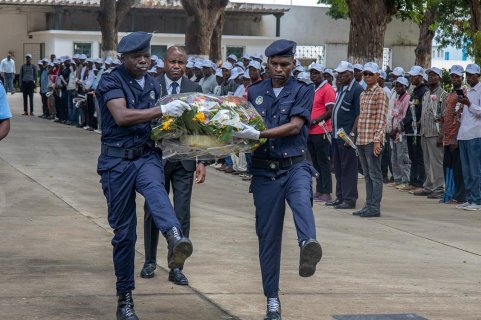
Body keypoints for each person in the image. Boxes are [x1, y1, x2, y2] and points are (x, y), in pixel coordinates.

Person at [95, 32, 193, 320]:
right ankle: (125, 298)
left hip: (146, 156)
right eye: (135, 56)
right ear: (123, 59)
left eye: (146, 55)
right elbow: (122, 117)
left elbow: (157, 124)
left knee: (156, 193)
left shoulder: (152, 83)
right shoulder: (111, 81)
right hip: (116, 163)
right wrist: (161, 109)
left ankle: (175, 238)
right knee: (125, 235)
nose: (142, 60)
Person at [233, 39, 322, 320]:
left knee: (301, 202)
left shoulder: (303, 90)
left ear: (294, 64)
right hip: (264, 171)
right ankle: (272, 299)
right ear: (267, 65)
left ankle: (308, 245)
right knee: (267, 236)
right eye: (275, 64)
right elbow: (240, 123)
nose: (280, 69)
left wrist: (258, 135)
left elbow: (296, 126)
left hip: (294, 164)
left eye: (285, 64)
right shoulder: (254, 91)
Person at [141, 45, 206, 286]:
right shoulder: (151, 84)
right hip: (156, 159)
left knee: (182, 213)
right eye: (172, 62)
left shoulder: (194, 89)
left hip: (185, 160)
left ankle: (176, 266)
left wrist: (201, 161)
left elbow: (200, 128)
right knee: (153, 210)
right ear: (164, 63)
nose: (176, 66)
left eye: (181, 62)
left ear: (186, 65)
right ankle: (149, 260)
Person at [353, 62, 388, 217]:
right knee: (367, 175)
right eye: (365, 73)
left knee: (375, 174)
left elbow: (381, 119)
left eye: (370, 74)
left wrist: (377, 141)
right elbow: (362, 117)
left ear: (377, 76)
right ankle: (368, 205)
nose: (367, 76)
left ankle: (374, 207)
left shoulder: (380, 93)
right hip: (362, 138)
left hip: (372, 140)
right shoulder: (363, 93)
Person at [326, 61, 363, 209]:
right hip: (336, 135)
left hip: (347, 136)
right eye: (338, 73)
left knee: (348, 168)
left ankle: (349, 199)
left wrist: (352, 134)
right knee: (339, 168)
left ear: (350, 73)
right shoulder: (341, 88)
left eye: (342, 73)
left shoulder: (357, 89)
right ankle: (340, 196)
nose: (339, 76)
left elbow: (358, 115)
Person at [415, 67, 447, 199]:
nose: (430, 77)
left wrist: (442, 134)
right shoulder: (427, 94)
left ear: (439, 77)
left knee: (437, 162)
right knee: (427, 161)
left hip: (436, 132)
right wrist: (419, 122)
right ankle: (428, 186)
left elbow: (445, 116)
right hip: (424, 132)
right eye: (429, 75)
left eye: (434, 75)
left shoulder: (443, 94)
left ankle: (439, 188)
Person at [307, 63, 335, 202]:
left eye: (316, 73)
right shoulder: (314, 88)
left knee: (323, 162)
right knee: (316, 162)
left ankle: (327, 192)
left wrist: (315, 120)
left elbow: (330, 111)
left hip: (322, 130)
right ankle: (319, 190)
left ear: (322, 74)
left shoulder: (327, 89)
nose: (313, 75)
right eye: (312, 73)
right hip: (311, 131)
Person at [456, 63, 481, 211]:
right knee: (466, 170)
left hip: (475, 134)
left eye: (472, 75)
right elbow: (467, 114)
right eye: (467, 75)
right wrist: (460, 110)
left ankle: (477, 200)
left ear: (478, 75)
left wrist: (469, 103)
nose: (469, 77)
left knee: (474, 169)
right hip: (464, 134)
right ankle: (469, 198)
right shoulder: (467, 91)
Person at [440, 65, 466, 205]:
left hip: (455, 137)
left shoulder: (462, 94)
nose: (454, 79)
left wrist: (456, 137)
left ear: (462, 78)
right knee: (447, 166)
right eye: (452, 76)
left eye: (457, 77)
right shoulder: (450, 94)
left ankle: (459, 196)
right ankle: (449, 193)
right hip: (447, 136)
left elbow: (461, 116)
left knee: (457, 169)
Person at [402, 66, 428, 191]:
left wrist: (417, 123)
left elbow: (421, 111)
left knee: (419, 157)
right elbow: (410, 110)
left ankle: (420, 182)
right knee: (413, 157)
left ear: (421, 77)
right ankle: (412, 181)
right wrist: (405, 123)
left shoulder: (424, 91)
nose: (411, 78)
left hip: (418, 130)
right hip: (410, 130)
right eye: (411, 75)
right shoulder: (414, 91)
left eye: (414, 76)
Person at [389, 77, 411, 188]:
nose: (397, 88)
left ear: (405, 86)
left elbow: (405, 116)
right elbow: (394, 115)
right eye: (396, 86)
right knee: (394, 157)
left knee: (403, 157)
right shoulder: (397, 98)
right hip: (393, 132)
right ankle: (397, 179)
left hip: (401, 132)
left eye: (400, 86)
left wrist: (396, 129)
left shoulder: (407, 98)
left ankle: (405, 180)